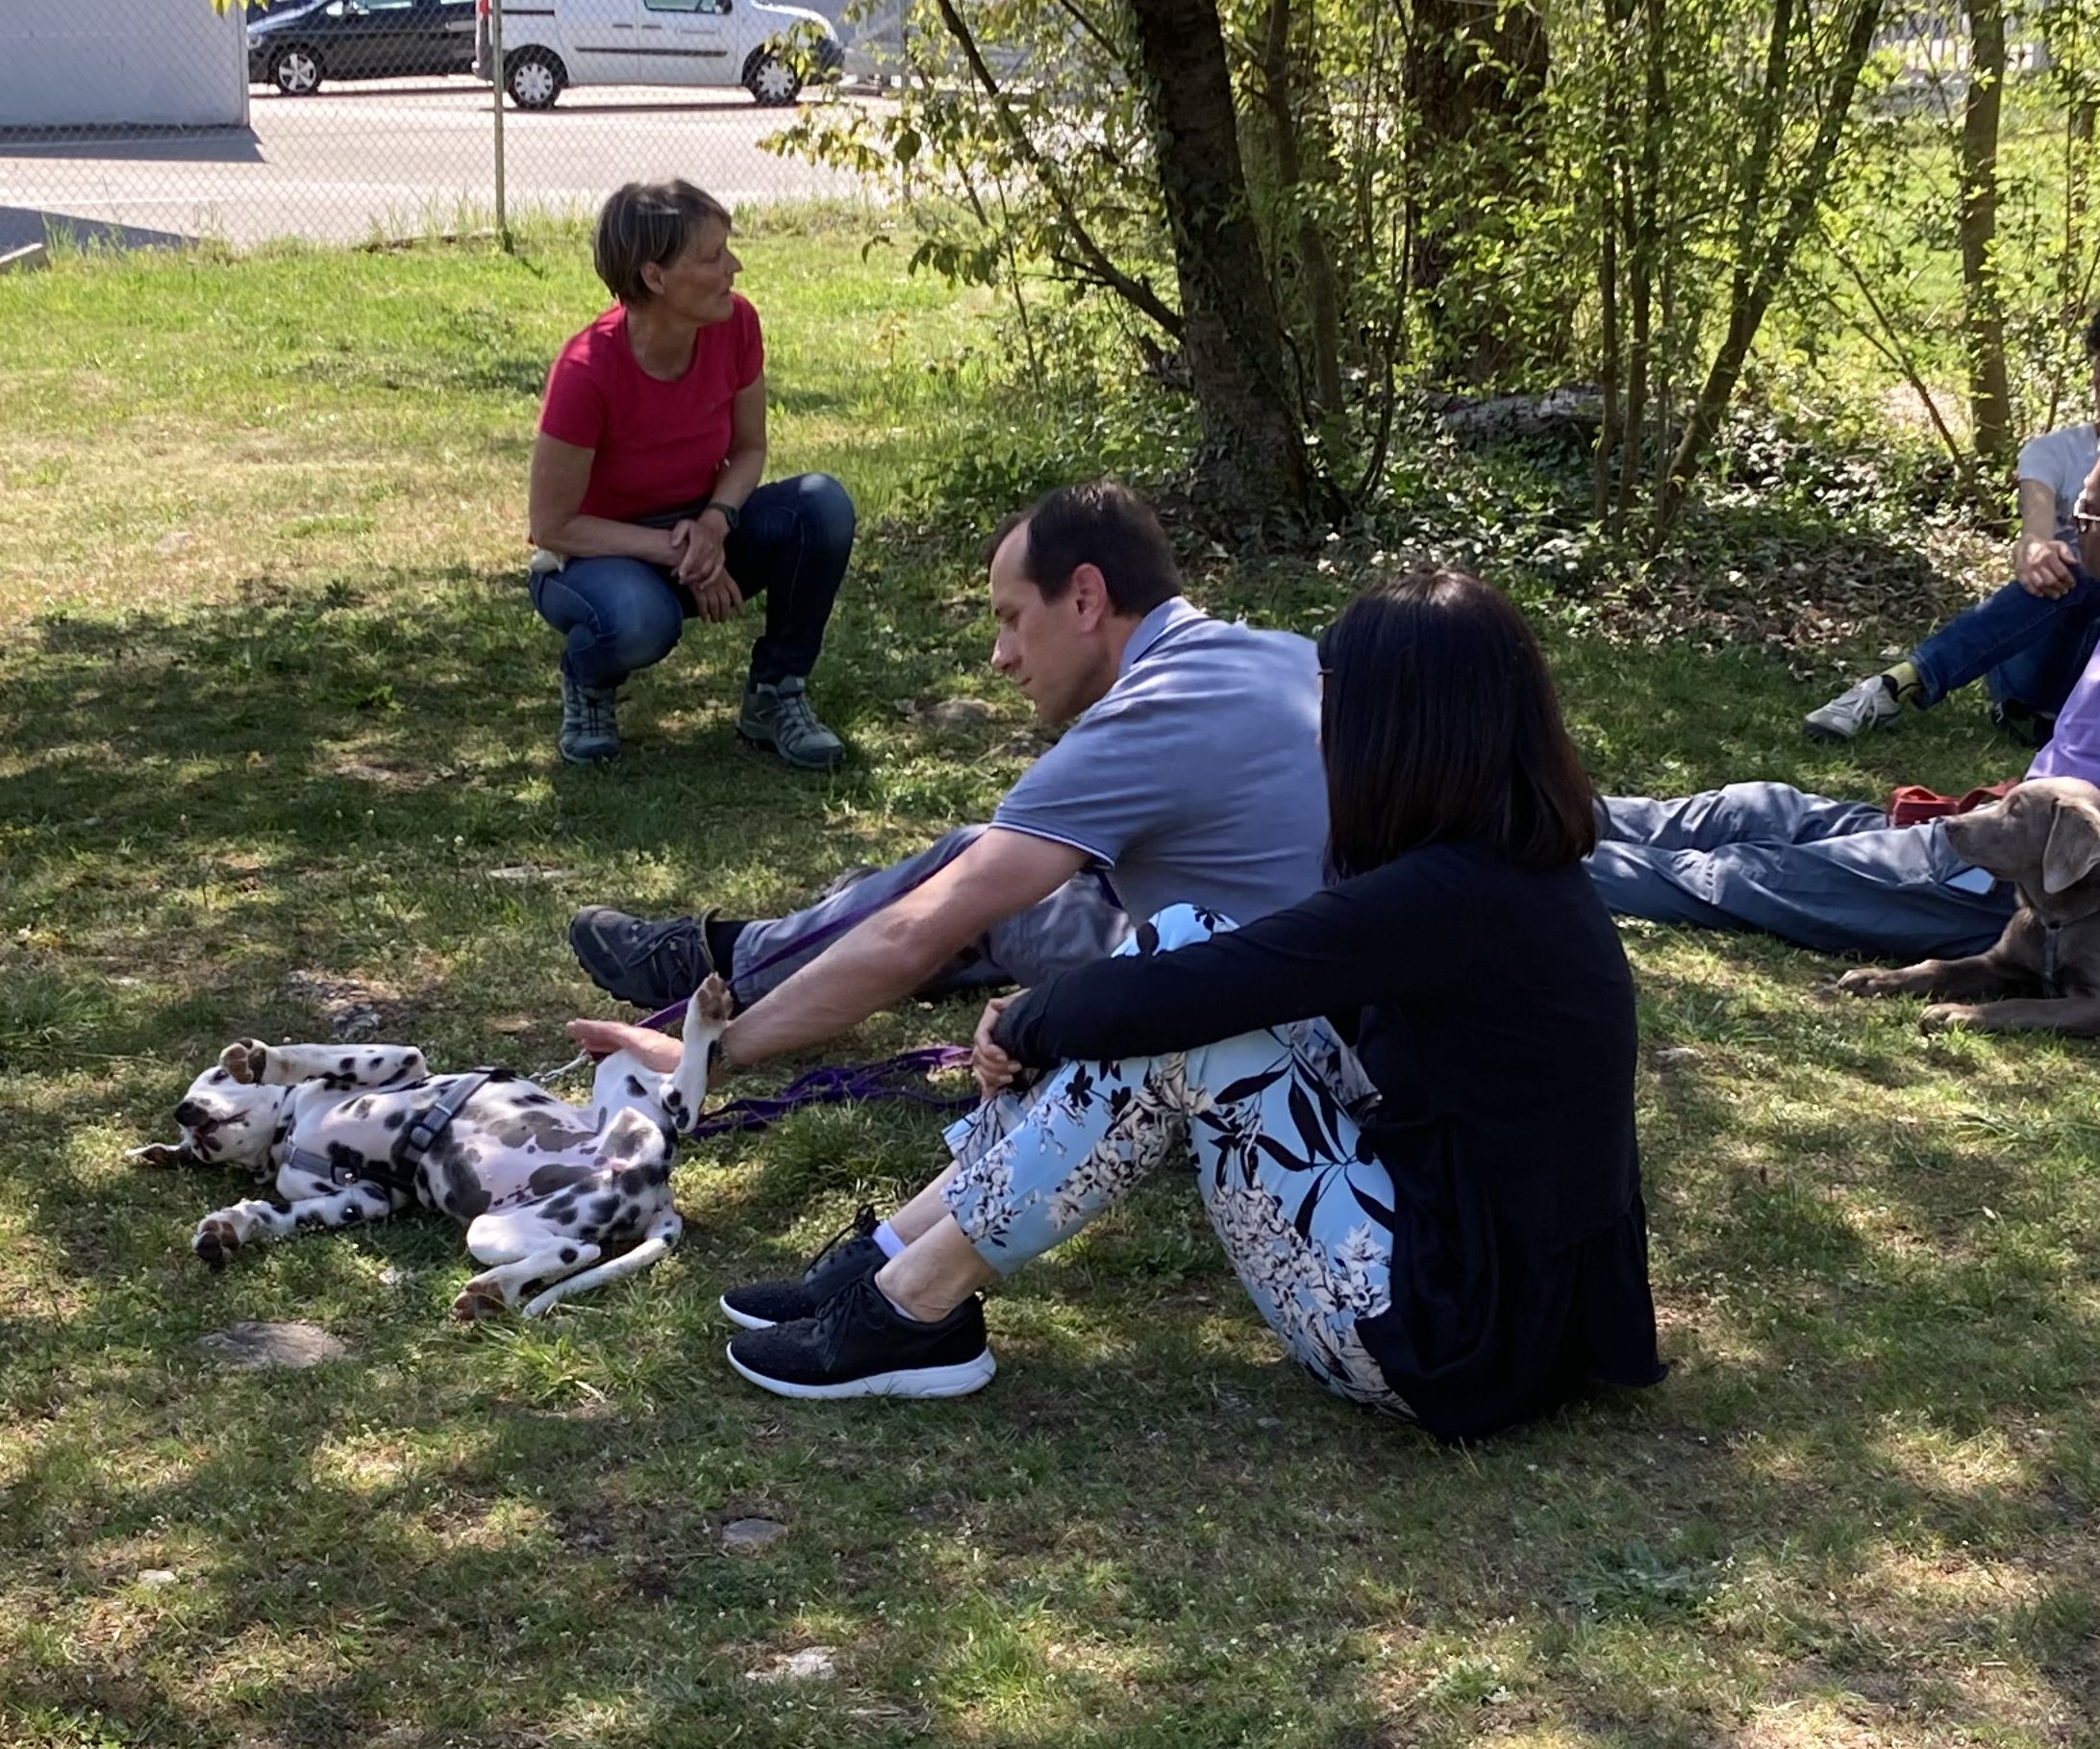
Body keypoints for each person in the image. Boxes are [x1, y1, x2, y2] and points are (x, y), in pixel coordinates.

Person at [716, 571, 1667, 1440]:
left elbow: (1197, 999)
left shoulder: (1446, 896)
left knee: (1181, 1031)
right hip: (1516, 1307)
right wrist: (1057, 1010)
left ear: (1400, 725)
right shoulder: (1503, 875)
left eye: (1335, 706)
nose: (1323, 736)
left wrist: (1027, 1021)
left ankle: (914, 1305)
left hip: (1455, 1340)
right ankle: (896, 1254)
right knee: (1182, 936)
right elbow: (1231, 966)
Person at [1599, 416, 2100, 1060]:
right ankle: (1557, 808)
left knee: (1739, 874)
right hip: (2011, 827)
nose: (2073, 523)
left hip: (2033, 884)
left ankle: (1549, 864)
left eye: (2090, 513)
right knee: (1755, 807)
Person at [559, 481, 1325, 1074]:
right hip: (1326, 990)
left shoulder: (1143, 723)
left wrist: (707, 1056)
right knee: (996, 876)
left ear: (1085, 597)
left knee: (963, 879)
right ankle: (832, 923)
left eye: (1012, 617)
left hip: (1268, 1033)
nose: (1000, 655)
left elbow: (915, 932)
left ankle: (725, 959)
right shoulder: (1282, 654)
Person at [1805, 290, 2100, 744]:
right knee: (2083, 571)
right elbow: (2035, 533)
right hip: (2043, 651)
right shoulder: (2053, 452)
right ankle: (1896, 685)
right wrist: (2036, 550)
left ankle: (2097, 711)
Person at [527, 179, 858, 768]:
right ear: (655, 277)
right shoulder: (586, 369)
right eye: (712, 256)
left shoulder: (737, 323)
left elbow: (750, 448)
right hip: (597, 554)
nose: (734, 267)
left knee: (820, 504)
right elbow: (553, 525)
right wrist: (680, 550)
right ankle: (587, 677)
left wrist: (713, 524)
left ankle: (776, 692)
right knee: (638, 622)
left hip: (702, 525)